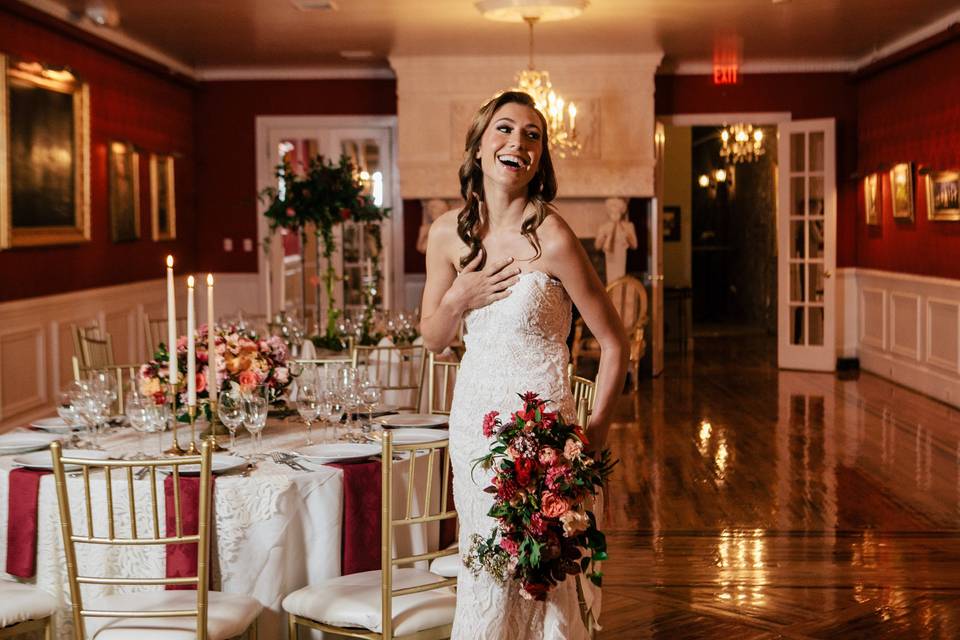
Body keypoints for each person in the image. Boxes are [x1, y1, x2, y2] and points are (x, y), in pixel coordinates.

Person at [420, 90, 628, 639]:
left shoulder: (554, 236)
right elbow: (433, 338)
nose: (519, 142)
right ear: (480, 147)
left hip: (544, 437)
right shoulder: (446, 234)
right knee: (485, 569)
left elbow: (614, 342)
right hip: (473, 432)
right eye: (505, 130)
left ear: (540, 158)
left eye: (533, 135)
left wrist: (591, 442)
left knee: (542, 576)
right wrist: (459, 297)